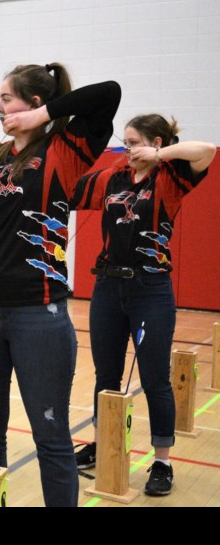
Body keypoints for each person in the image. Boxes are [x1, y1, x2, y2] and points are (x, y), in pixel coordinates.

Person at [0, 64, 121, 506]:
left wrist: (45, 119)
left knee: (51, 434)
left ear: (35, 105)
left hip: (38, 314)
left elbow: (108, 93)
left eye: (7, 98)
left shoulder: (65, 149)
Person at [70, 114, 215, 496]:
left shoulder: (171, 177)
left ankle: (162, 462)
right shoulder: (112, 178)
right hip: (107, 287)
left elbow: (207, 151)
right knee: (106, 377)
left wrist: (158, 155)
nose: (126, 149)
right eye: (126, 142)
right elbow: (66, 191)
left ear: (154, 142)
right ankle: (103, 445)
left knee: (155, 380)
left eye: (133, 142)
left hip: (150, 289)